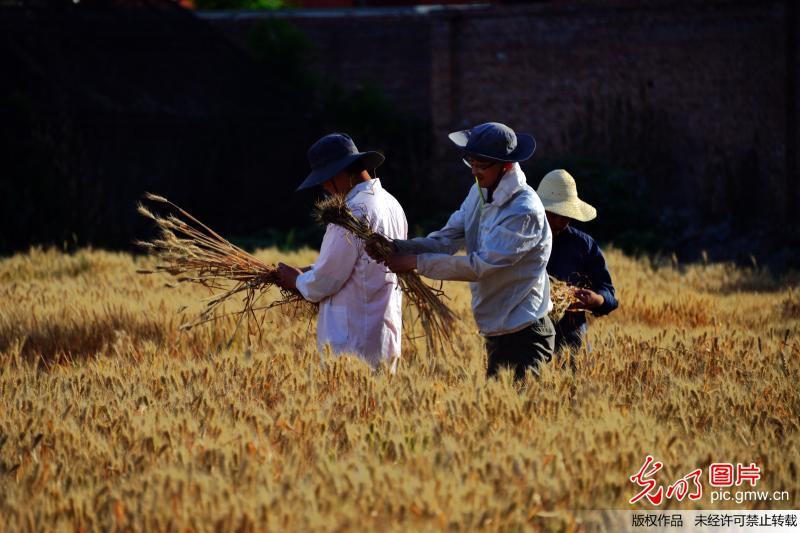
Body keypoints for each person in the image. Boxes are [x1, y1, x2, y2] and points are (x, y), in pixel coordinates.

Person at [367, 122, 554, 380]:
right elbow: (447, 238)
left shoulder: (523, 210)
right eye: (471, 163)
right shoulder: (479, 192)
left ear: (506, 165)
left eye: (482, 165)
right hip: (497, 329)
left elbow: (481, 266)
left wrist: (415, 262)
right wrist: (398, 247)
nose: (474, 171)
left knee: (523, 416)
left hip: (525, 332)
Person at [276, 133, 407, 371]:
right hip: (385, 333)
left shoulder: (351, 213)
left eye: (325, 180)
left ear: (340, 173)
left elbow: (327, 280)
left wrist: (296, 280)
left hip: (352, 343)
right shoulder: (392, 204)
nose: (325, 188)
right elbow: (358, 265)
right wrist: (309, 271)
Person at [536, 169, 618, 357]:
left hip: (571, 344)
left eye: (564, 216)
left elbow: (608, 293)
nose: (558, 222)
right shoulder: (522, 239)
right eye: (552, 215)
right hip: (528, 340)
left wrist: (597, 300)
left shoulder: (583, 245)